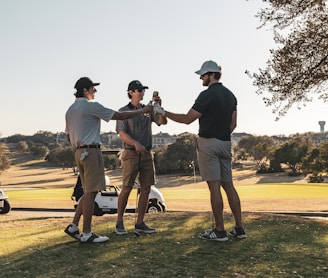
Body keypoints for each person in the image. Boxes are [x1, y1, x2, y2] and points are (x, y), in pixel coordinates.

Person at [160, 60, 246, 241]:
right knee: (228, 186)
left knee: (214, 187)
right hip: (225, 143)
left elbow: (186, 119)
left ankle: (220, 230)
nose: (201, 77)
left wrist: (164, 112)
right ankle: (239, 228)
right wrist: (222, 135)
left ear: (212, 74)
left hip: (209, 143)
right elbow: (234, 124)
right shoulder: (231, 95)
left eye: (203, 75)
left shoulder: (206, 95)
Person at [64, 77, 152, 243]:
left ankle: (74, 226)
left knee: (87, 191)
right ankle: (87, 233)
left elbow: (69, 136)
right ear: (85, 90)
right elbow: (119, 115)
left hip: (78, 152)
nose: (95, 91)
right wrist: (142, 111)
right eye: (92, 88)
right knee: (92, 193)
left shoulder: (70, 109)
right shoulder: (91, 106)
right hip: (91, 152)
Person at [115, 80, 167, 235]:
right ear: (131, 92)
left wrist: (160, 108)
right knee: (126, 188)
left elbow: (162, 122)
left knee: (146, 188)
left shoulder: (148, 110)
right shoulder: (123, 111)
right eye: (138, 90)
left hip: (146, 154)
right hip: (130, 153)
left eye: (143, 90)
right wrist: (136, 143)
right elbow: (122, 133)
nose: (142, 92)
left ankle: (140, 223)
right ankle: (119, 222)